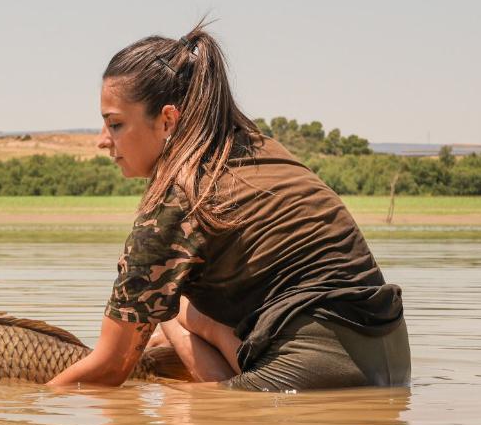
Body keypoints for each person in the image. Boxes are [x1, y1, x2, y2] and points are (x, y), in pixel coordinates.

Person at [47, 21, 409, 391]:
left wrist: (31, 403)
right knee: (170, 309)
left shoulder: (177, 200)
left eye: (116, 124)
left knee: (183, 408)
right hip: (392, 364)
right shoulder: (258, 148)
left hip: (314, 373)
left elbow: (108, 370)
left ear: (168, 119)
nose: (102, 141)